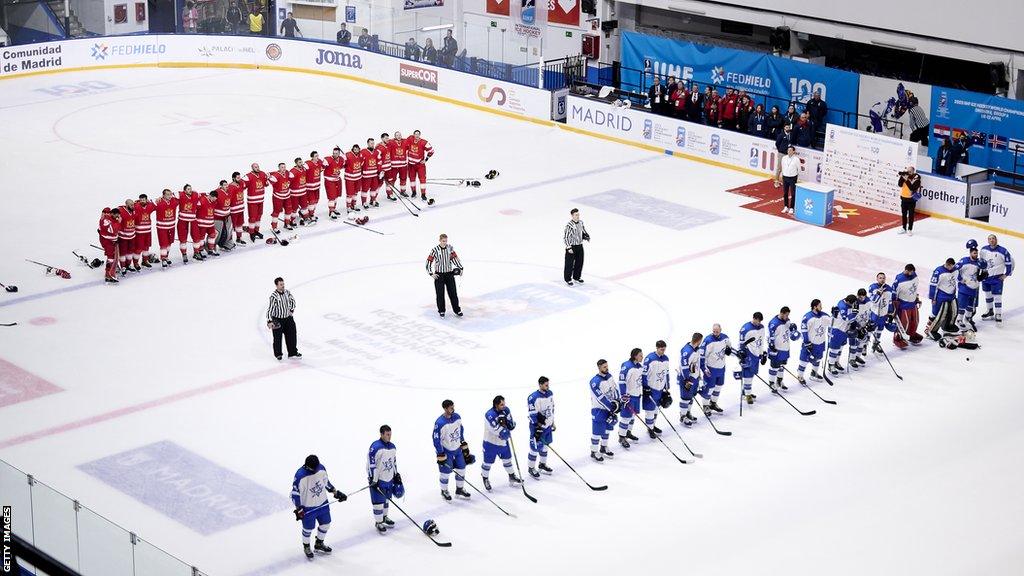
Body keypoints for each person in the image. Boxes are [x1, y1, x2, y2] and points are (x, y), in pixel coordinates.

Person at [291, 455, 346, 560]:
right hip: (308, 507)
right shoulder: (300, 476)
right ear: (308, 467)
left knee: (326, 524)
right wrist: (299, 508)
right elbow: (294, 493)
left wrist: (336, 492)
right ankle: (306, 547)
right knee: (308, 529)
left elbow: (326, 482)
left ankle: (319, 544)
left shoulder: (320, 468)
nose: (315, 470)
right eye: (313, 468)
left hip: (322, 503)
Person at [432, 399, 474, 501]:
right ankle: (444, 491)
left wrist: (463, 442)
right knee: (445, 473)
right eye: (451, 407)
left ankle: (459, 489)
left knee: (462, 469)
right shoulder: (440, 423)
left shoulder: (457, 417)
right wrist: (440, 453)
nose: (453, 408)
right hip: (446, 451)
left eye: (453, 406)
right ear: (445, 408)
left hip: (458, 449)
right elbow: (436, 439)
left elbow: (461, 430)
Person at [480, 396, 523, 491]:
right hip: (490, 443)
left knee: (507, 460)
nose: (504, 406)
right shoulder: (489, 415)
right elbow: (497, 430)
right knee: (487, 463)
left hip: (503, 442)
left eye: (504, 404)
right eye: (501, 404)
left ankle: (511, 476)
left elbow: (510, 422)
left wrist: (510, 425)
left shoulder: (506, 410)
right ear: (496, 405)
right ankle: (485, 478)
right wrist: (504, 431)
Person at [367, 425, 400, 533]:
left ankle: (384, 517)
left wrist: (396, 474)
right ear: (381, 434)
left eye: (390, 434)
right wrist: (373, 479)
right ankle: (378, 522)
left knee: (386, 499)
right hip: (378, 479)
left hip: (389, 478)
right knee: (378, 502)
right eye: (387, 434)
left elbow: (394, 462)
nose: (389, 436)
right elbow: (371, 464)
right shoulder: (375, 447)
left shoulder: (393, 447)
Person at [588, 359, 619, 462]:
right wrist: (611, 407)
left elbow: (615, 389)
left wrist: (617, 402)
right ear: (599, 367)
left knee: (607, 429)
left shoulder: (609, 376)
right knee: (597, 432)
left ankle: (604, 447)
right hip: (599, 410)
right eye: (604, 367)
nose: (607, 368)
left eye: (607, 366)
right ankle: (594, 451)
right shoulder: (594, 382)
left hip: (610, 408)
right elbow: (600, 398)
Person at [426, 233, 463, 318]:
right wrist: (431, 273)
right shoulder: (435, 250)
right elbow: (428, 262)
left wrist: (460, 268)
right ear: (440, 240)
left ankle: (457, 310)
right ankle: (441, 311)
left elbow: (454, 259)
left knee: (453, 293)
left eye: (446, 241)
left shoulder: (450, 248)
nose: (445, 243)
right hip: (439, 275)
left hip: (449, 274)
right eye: (443, 241)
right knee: (440, 294)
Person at [979, 234, 1013, 323]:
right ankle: (990, 310)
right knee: (988, 295)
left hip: (997, 278)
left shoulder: (1003, 251)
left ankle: (998, 314)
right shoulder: (983, 250)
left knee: (997, 297)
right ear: (988, 240)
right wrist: (980, 274)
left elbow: (1010, 263)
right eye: (990, 239)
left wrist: (1006, 274)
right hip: (986, 277)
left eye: (993, 238)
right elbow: (980, 263)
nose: (992, 240)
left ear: (996, 240)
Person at [698, 325, 731, 415]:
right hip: (711, 369)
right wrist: (704, 368)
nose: (715, 333)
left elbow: (729, 348)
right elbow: (702, 355)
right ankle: (705, 406)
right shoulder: (708, 340)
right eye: (714, 331)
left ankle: (713, 403)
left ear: (721, 330)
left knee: (718, 386)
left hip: (721, 367)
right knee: (709, 388)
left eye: (717, 331)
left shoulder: (725, 338)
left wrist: (729, 350)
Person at [641, 340, 671, 437]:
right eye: (661, 349)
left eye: (664, 349)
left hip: (660, 388)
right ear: (657, 348)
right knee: (650, 410)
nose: (663, 351)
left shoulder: (666, 359)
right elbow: (644, 374)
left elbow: (666, 373)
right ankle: (650, 429)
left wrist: (667, 386)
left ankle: (652, 425)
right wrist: (645, 387)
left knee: (656, 409)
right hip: (651, 388)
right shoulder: (649, 358)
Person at [956, 240, 988, 331]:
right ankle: (959, 320)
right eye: (974, 253)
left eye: (977, 253)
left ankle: (967, 320)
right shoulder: (964, 261)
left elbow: (982, 275)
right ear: (970, 253)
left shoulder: (979, 263)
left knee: (970, 306)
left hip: (974, 288)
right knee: (962, 305)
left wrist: (983, 275)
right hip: (964, 288)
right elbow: (955, 270)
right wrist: (960, 279)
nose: (976, 255)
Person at [526, 376, 554, 478]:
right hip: (538, 427)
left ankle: (542, 464)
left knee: (545, 446)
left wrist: (552, 422)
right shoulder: (533, 397)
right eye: (546, 385)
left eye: (548, 384)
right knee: (535, 448)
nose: (548, 386)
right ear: (540, 384)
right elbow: (532, 414)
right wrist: (538, 428)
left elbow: (552, 408)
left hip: (548, 426)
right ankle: (531, 468)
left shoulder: (550, 393)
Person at [267, 277, 301, 360]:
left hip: (288, 319)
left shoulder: (287, 292)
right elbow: (270, 309)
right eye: (281, 284)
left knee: (292, 335)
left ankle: (292, 352)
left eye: (283, 284)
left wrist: (291, 309)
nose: (283, 286)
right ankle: (278, 354)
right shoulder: (274, 296)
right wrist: (269, 321)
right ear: (276, 285)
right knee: (277, 338)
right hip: (277, 319)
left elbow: (292, 300)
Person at [767, 307, 800, 391]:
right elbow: (770, 336)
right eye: (786, 315)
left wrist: (793, 331)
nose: (787, 317)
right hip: (777, 349)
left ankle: (779, 381)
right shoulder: (773, 323)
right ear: (781, 313)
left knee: (781, 366)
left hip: (785, 348)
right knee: (774, 367)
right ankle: (771, 383)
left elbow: (789, 333)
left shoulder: (787, 321)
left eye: (788, 315)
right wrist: (771, 346)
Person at [796, 299, 829, 384]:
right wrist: (807, 342)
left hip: (820, 343)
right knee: (804, 360)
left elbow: (832, 322)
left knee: (818, 359)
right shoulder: (807, 317)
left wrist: (835, 315)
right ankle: (800, 375)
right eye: (820, 306)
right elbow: (804, 330)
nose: (821, 307)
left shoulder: (824, 315)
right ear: (815, 307)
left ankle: (813, 373)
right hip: (810, 343)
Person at [616, 347, 643, 449]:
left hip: (637, 395)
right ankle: (621, 437)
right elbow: (622, 381)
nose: (642, 357)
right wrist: (623, 396)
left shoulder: (640, 367)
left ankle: (628, 432)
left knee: (632, 416)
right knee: (626, 417)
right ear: (635, 356)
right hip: (629, 397)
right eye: (640, 355)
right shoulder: (626, 366)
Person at [737, 313, 767, 403]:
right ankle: (747, 395)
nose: (758, 323)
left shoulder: (762, 327)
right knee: (748, 375)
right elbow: (741, 343)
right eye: (757, 321)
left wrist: (762, 354)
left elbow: (761, 341)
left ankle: (745, 391)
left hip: (756, 354)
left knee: (752, 374)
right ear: (753, 318)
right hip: (748, 354)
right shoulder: (745, 328)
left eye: (760, 321)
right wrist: (741, 354)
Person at [927, 258, 960, 340]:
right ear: (947, 264)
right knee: (938, 314)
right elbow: (933, 285)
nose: (951, 268)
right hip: (941, 296)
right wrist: (933, 298)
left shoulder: (955, 269)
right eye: (950, 267)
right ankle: (931, 330)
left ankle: (948, 326)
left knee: (954, 311)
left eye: (953, 266)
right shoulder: (938, 271)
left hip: (951, 295)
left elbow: (958, 278)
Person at [826, 295, 859, 375]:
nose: (852, 305)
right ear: (848, 302)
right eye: (851, 304)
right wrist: (855, 313)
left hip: (844, 329)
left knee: (840, 347)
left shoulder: (851, 303)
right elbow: (846, 318)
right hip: (836, 329)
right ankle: (831, 365)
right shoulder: (842, 306)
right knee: (835, 349)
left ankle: (836, 362)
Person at [893, 264, 925, 346]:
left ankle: (912, 334)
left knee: (915, 321)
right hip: (904, 305)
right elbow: (894, 293)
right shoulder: (899, 279)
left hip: (913, 303)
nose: (912, 273)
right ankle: (898, 338)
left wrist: (917, 299)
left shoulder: (914, 275)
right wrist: (893, 306)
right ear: (906, 270)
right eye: (911, 272)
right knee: (904, 323)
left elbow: (915, 289)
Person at [869, 273, 900, 351]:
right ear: (877, 279)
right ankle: (864, 346)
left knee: (880, 330)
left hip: (883, 314)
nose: (882, 279)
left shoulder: (889, 288)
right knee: (870, 330)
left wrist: (890, 313)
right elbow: (873, 300)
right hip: (874, 314)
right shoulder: (872, 287)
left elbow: (889, 302)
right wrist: (879, 293)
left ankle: (876, 344)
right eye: (880, 278)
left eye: (883, 278)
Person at [676, 333, 702, 425]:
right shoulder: (687, 351)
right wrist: (687, 379)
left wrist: (699, 374)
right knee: (685, 398)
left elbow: (697, 364)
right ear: (699, 341)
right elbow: (684, 367)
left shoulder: (697, 349)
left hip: (694, 377)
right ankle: (682, 416)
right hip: (686, 378)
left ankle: (687, 412)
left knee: (691, 396)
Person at [242, 163, 268, 241]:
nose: (257, 168)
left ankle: (256, 230)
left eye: (258, 167)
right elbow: (242, 185)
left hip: (261, 200)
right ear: (252, 168)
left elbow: (266, 183)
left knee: (259, 216)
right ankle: (251, 232)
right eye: (255, 167)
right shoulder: (248, 176)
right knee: (252, 217)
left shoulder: (262, 174)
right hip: (252, 201)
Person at [405, 130, 434, 204]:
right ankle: (414, 192)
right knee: (412, 179)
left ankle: (423, 194)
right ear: (413, 134)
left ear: (420, 135)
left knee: (422, 179)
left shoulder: (423, 142)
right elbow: (402, 142)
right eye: (415, 134)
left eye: (418, 134)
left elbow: (431, 150)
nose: (417, 136)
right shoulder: (410, 138)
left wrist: (426, 159)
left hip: (420, 165)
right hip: (411, 164)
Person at [562, 208, 589, 286]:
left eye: (578, 214)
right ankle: (568, 279)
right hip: (572, 247)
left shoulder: (581, 222)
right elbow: (566, 237)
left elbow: (583, 231)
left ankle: (577, 277)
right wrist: (569, 247)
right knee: (569, 264)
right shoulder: (569, 225)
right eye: (576, 215)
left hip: (580, 246)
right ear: (572, 216)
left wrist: (585, 236)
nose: (578, 216)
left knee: (579, 262)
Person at [849, 288, 872, 369]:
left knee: (862, 341)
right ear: (857, 295)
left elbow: (870, 311)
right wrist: (857, 326)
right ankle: (852, 359)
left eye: (863, 296)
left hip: (864, 324)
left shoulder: (869, 301)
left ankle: (857, 356)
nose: (862, 298)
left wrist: (869, 322)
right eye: (860, 296)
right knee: (854, 343)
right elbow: (851, 317)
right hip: (855, 325)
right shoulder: (854, 303)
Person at [155, 190, 178, 269]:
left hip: (171, 226)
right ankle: (163, 259)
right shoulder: (159, 203)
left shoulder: (174, 201)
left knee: (169, 243)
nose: (169, 196)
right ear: (163, 195)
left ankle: (166, 256)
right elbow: (148, 206)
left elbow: (182, 196)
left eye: (170, 194)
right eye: (167, 194)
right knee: (163, 244)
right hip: (162, 227)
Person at [97, 208, 121, 283]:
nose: (117, 216)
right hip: (108, 242)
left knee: (112, 257)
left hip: (112, 241)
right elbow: (113, 230)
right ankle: (108, 274)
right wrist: (118, 222)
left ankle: (110, 272)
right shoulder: (106, 220)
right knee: (111, 257)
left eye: (118, 214)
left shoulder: (110, 219)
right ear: (111, 214)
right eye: (116, 214)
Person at [267, 162, 293, 233]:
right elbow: (269, 177)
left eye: (284, 167)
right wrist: (269, 174)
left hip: (287, 196)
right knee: (276, 212)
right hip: (278, 197)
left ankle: (287, 223)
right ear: (279, 168)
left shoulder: (287, 173)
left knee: (288, 210)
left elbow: (292, 175)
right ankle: (274, 227)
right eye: (282, 167)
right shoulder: (276, 176)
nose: (284, 168)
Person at [177, 185, 199, 264]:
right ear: (184, 190)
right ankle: (184, 254)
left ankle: (196, 252)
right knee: (183, 238)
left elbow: (205, 195)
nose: (190, 190)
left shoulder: (195, 195)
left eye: (191, 189)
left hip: (193, 220)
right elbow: (170, 196)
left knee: (196, 237)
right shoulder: (180, 195)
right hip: (182, 220)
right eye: (188, 189)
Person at [897, 166, 922, 235]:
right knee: (904, 214)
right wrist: (902, 178)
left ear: (913, 171)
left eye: (910, 171)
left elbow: (912, 188)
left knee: (911, 215)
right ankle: (904, 228)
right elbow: (899, 185)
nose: (908, 173)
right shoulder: (905, 176)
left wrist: (907, 180)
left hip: (911, 200)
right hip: (904, 198)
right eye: (907, 171)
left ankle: (910, 229)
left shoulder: (917, 178)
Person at [134, 193, 156, 266]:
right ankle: (135, 263)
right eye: (141, 200)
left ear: (146, 200)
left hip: (147, 231)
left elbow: (155, 206)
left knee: (146, 247)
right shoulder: (136, 206)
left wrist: (150, 201)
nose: (142, 201)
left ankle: (145, 261)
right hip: (139, 232)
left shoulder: (149, 206)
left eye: (144, 200)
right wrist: (136, 202)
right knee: (138, 248)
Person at [195, 189, 218, 258]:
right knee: (201, 237)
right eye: (214, 198)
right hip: (202, 223)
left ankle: (210, 249)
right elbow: (195, 206)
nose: (214, 200)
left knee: (213, 235)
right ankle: (200, 250)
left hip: (210, 223)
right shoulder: (202, 200)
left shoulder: (214, 201)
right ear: (210, 196)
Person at [212, 180, 235, 251]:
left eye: (227, 184)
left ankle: (225, 243)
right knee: (217, 232)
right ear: (221, 186)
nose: (226, 186)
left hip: (227, 216)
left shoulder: (229, 191)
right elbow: (210, 199)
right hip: (218, 217)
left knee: (228, 231)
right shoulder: (217, 192)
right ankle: (211, 246)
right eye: (224, 185)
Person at [117, 198, 138, 274]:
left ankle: (128, 265)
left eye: (133, 204)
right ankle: (123, 266)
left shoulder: (133, 211)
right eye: (131, 205)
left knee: (130, 252)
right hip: (123, 237)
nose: (133, 206)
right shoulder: (121, 212)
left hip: (132, 236)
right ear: (126, 205)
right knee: (123, 252)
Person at [323, 147, 345, 219]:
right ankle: (331, 211)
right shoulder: (328, 159)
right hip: (329, 180)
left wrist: (346, 159)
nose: (334, 154)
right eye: (333, 153)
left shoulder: (341, 159)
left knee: (336, 196)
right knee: (332, 197)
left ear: (339, 153)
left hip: (337, 180)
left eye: (336, 153)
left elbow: (342, 167)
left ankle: (334, 208)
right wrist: (323, 164)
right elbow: (322, 167)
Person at [361, 138, 382, 208]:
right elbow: (360, 162)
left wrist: (380, 171)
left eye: (373, 143)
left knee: (374, 188)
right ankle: (364, 202)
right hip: (366, 175)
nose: (372, 144)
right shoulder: (363, 152)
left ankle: (373, 200)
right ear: (368, 143)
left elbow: (379, 162)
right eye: (371, 143)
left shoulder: (377, 152)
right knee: (365, 189)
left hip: (374, 174)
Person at [288, 157, 309, 228]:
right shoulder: (292, 171)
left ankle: (305, 217)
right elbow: (288, 182)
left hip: (303, 192)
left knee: (304, 206)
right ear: (296, 163)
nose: (301, 163)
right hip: (294, 193)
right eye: (299, 162)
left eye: (301, 162)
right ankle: (292, 220)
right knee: (294, 208)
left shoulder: (304, 169)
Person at [304, 151, 324, 224]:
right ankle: (310, 214)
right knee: (311, 201)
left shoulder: (319, 162)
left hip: (317, 186)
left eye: (317, 155)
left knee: (316, 200)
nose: (317, 157)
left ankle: (311, 212)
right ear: (312, 157)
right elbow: (302, 172)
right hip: (309, 187)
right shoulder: (307, 164)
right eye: (315, 156)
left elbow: (322, 168)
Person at [388, 130, 410, 197]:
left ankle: (403, 191)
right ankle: (390, 193)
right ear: (394, 136)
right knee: (392, 179)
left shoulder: (405, 141)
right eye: (397, 135)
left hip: (403, 165)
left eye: (400, 135)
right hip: (393, 166)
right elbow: (383, 143)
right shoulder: (391, 142)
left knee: (403, 178)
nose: (399, 136)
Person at [344, 144, 364, 212]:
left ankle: (354, 205)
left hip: (358, 177)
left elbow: (362, 164)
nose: (356, 151)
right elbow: (342, 164)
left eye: (357, 149)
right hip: (350, 178)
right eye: (354, 149)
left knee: (355, 192)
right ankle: (348, 207)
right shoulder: (347, 155)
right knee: (350, 193)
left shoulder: (360, 155)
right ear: (352, 149)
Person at [780, 146, 799, 214]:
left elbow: (798, 169)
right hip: (785, 177)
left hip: (793, 178)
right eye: (788, 150)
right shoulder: (784, 158)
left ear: (793, 151)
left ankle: (792, 207)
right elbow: (782, 166)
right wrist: (782, 175)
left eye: (790, 150)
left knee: (793, 193)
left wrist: (797, 178)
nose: (789, 151)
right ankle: (786, 206)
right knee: (785, 193)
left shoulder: (796, 159)